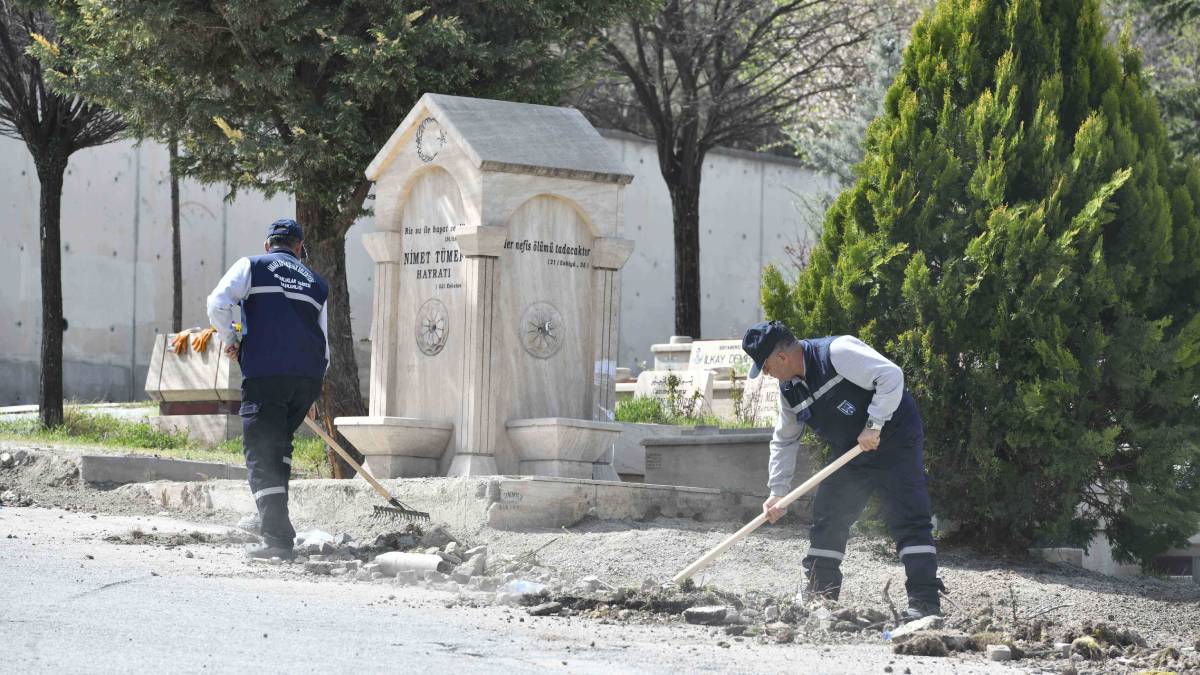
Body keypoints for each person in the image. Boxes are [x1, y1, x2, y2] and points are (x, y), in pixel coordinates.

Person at [742, 320, 945, 618]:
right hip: (851, 452)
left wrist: (874, 424)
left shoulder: (837, 352)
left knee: (909, 518)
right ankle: (819, 595)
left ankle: (925, 603)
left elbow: (891, 376)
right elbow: (784, 440)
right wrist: (777, 492)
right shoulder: (789, 392)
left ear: (781, 357)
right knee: (830, 514)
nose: (767, 374)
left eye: (766, 366)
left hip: (895, 440)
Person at [207, 218, 329, 560]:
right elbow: (326, 344)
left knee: (262, 453)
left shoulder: (253, 265)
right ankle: (280, 529)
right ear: (298, 248)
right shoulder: (317, 283)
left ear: (268, 245)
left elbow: (217, 303)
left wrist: (231, 341)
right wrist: (312, 392)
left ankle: (277, 540)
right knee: (280, 450)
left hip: (266, 374)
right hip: (306, 378)